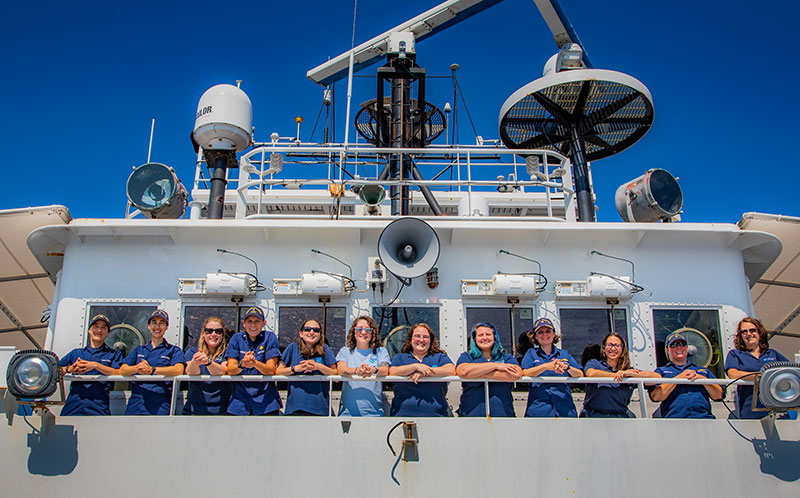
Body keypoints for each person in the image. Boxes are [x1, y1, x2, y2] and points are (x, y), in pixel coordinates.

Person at [119, 310, 185, 415]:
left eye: (161, 323)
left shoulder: (173, 350)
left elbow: (179, 370)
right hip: (136, 403)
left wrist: (153, 370)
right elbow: (122, 370)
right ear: (148, 326)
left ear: (166, 327)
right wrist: (137, 368)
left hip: (160, 404)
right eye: (154, 322)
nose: (157, 327)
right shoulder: (139, 350)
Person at [582, 332, 659, 417]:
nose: (613, 348)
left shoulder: (628, 371)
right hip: (593, 416)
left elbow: (656, 378)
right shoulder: (594, 364)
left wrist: (631, 375)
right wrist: (616, 375)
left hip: (620, 417)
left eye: (617, 345)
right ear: (603, 348)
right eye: (610, 345)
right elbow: (591, 373)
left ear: (623, 349)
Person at [725, 317, 788, 419]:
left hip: (778, 410)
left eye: (752, 330)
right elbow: (733, 373)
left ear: (760, 332)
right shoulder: (735, 354)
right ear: (740, 336)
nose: (749, 334)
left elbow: (790, 372)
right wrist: (758, 376)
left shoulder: (772, 354)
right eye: (744, 332)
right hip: (750, 411)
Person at [58, 314, 122, 415]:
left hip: (99, 406)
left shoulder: (114, 354)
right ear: (89, 330)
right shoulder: (76, 353)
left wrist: (96, 365)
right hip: (74, 405)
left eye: (103, 328)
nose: (99, 330)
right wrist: (69, 369)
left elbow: (118, 372)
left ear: (107, 333)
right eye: (96, 327)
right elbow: (54, 370)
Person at [649, 331, 723, 418]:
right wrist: (678, 379)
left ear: (687, 348)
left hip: (704, 419)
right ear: (667, 349)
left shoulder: (703, 371)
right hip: (674, 422)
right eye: (674, 345)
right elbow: (656, 397)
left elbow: (719, 395)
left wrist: (702, 380)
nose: (679, 347)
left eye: (682, 344)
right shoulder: (661, 372)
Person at [225, 306, 282, 415]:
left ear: (264, 323)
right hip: (239, 401)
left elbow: (271, 370)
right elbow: (231, 370)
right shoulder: (237, 338)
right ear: (244, 323)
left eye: (257, 321)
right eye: (249, 321)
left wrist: (254, 363)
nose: (253, 325)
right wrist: (243, 364)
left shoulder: (270, 337)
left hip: (266, 402)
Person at [520, 317, 583, 417]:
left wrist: (567, 367)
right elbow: (525, 373)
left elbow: (580, 374)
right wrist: (545, 366)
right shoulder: (531, 354)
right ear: (535, 336)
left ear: (554, 334)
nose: (544, 335)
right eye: (540, 332)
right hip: (539, 410)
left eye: (548, 331)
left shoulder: (564, 354)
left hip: (565, 409)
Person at [388, 323, 455, 417]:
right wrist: (415, 367)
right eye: (417, 336)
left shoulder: (439, 357)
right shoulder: (401, 358)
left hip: (436, 416)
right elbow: (392, 371)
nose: (421, 340)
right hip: (402, 415)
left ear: (431, 340)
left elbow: (451, 370)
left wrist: (426, 372)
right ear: (410, 339)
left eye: (425, 337)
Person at [456, 322, 521, 417]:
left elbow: (516, 374)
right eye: (480, 335)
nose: (484, 338)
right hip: (471, 415)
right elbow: (463, 371)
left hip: (503, 415)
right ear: (475, 339)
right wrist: (495, 366)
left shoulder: (506, 357)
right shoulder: (467, 356)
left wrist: (478, 373)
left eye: (488, 334)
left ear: (494, 337)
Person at [277, 318, 338, 415]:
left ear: (320, 335)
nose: (311, 332)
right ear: (301, 333)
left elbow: (335, 374)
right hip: (296, 407)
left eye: (316, 330)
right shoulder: (293, 348)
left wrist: (317, 366)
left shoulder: (325, 349)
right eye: (307, 329)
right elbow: (278, 371)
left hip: (320, 408)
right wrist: (296, 368)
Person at [336, 315, 390, 416]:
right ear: (354, 332)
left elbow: (385, 370)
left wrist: (373, 370)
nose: (363, 332)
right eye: (359, 329)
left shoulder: (381, 351)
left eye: (368, 330)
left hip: (374, 414)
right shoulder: (345, 351)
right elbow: (341, 370)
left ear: (372, 333)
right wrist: (357, 371)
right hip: (347, 414)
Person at [183, 316, 231, 415]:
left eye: (218, 331)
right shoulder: (192, 352)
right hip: (193, 411)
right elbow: (189, 372)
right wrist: (195, 362)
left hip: (220, 411)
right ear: (203, 334)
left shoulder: (227, 353)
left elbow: (224, 371)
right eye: (209, 331)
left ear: (222, 334)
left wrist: (208, 362)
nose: (213, 334)